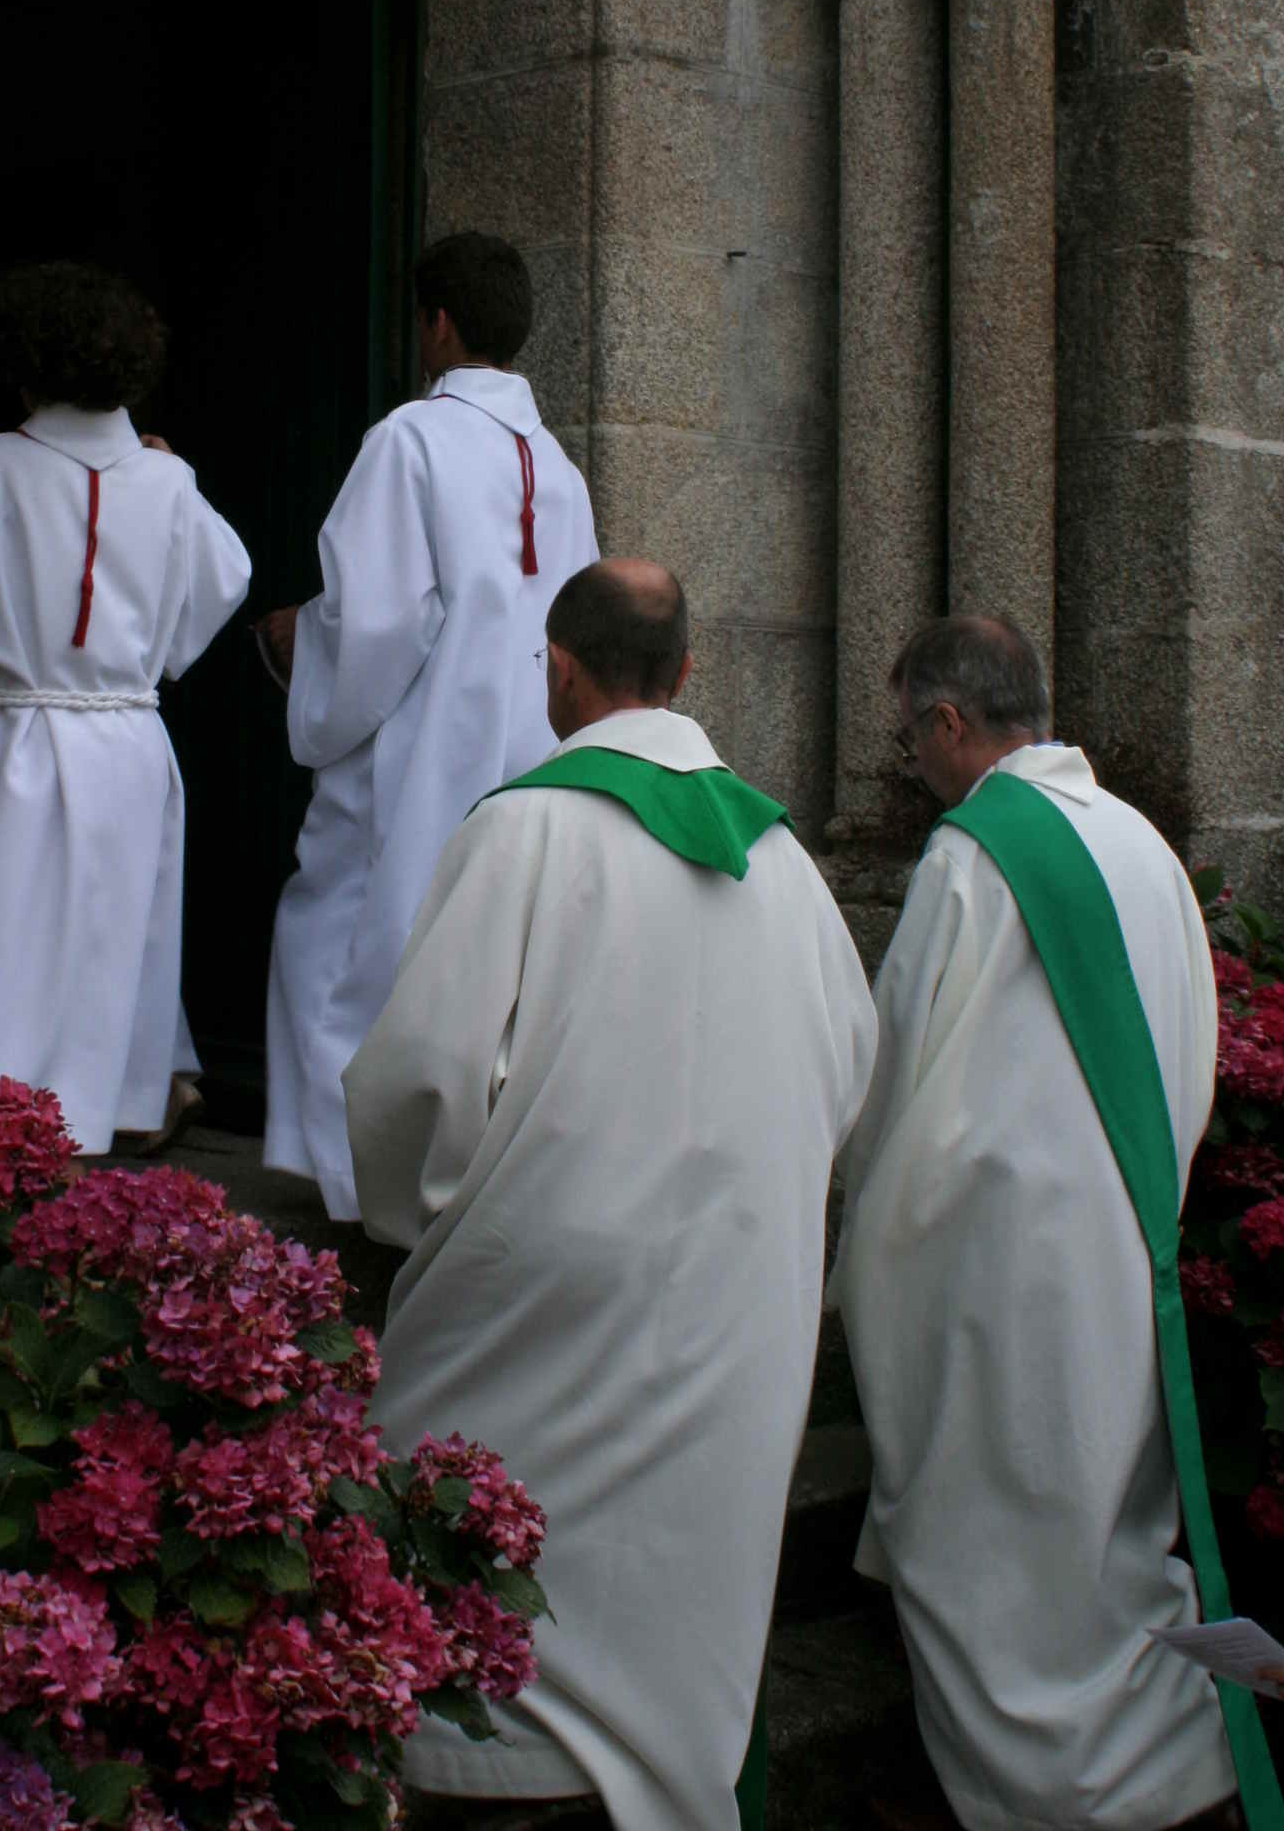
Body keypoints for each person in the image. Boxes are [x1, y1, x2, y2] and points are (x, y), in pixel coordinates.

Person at [344, 559, 877, 1831]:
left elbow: (416, 1081)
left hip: (542, 1295)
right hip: (734, 1302)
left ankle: (497, 1776)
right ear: (688, 674)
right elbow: (850, 1063)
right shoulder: (789, 866)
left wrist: (435, 1217)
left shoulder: (520, 829)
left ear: (560, 672)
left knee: (472, 1516)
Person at [833, 615, 1267, 1831]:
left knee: (997, 1528)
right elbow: (1191, 1048)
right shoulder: (1138, 842)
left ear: (948, 724)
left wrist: (863, 1233)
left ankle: (1046, 1787)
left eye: (907, 732)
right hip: (1120, 1244)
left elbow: (895, 1070)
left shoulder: (972, 853)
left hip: (994, 1267)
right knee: (1097, 1518)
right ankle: (1159, 1755)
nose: (907, 760)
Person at [0, 261, 250, 1157]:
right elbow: (221, 578)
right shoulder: (168, 479)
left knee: (5, 940)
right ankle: (94, 1122)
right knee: (108, 943)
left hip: (22, 742)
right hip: (126, 736)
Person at [260, 231, 599, 1221]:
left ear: (436, 324)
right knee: (480, 957)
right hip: (526, 745)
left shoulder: (408, 439)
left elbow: (376, 617)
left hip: (420, 748)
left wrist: (301, 652)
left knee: (344, 939)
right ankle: (447, 1177)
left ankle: (349, 1180)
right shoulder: (558, 466)